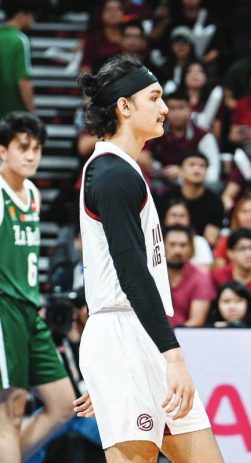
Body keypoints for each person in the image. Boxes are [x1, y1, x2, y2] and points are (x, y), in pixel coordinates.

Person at [75, 54, 223, 461]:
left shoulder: (124, 170)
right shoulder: (112, 174)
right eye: (155, 98)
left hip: (136, 338)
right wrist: (171, 354)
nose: (164, 109)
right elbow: (131, 272)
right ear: (124, 107)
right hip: (123, 334)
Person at [0, 112, 75, 463]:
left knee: (63, 406)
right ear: (3, 151)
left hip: (31, 309)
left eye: (38, 149)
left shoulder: (31, 192)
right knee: (10, 411)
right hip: (4, 310)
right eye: (23, 148)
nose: (31, 155)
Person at [164, 225, 215, 327]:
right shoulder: (149, 274)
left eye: (183, 245)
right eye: (172, 244)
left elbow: (196, 322)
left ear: (191, 248)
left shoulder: (200, 277)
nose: (177, 250)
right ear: (161, 246)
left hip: (184, 338)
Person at [0, 0, 39, 117]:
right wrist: (32, 113)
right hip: (15, 116)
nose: (33, 21)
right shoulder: (20, 40)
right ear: (20, 15)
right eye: (31, 15)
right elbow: (23, 80)